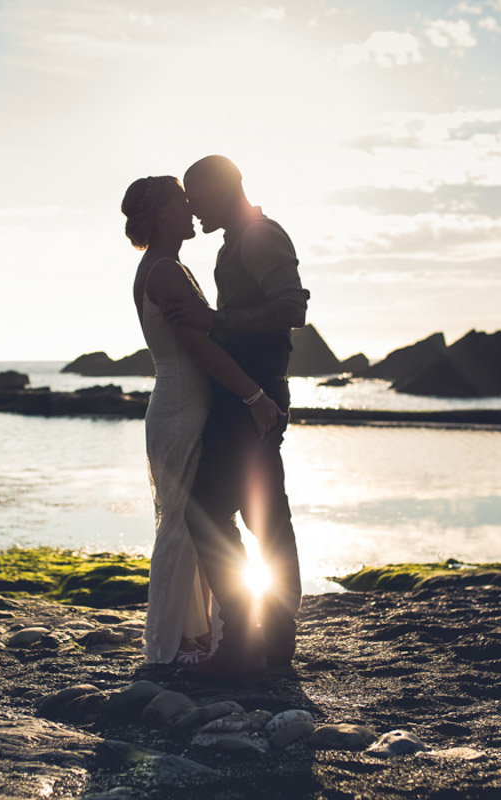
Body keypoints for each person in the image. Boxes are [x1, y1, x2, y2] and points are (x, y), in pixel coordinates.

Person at [121, 175, 283, 665]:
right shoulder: (164, 271)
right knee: (182, 523)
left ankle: (194, 635)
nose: (192, 208)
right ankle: (169, 645)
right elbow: (199, 346)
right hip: (180, 407)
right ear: (164, 212)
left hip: (183, 403)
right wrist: (254, 394)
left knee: (193, 521)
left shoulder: (166, 266)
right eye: (181, 200)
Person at [166, 155, 309, 679]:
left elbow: (293, 309)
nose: (191, 207)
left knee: (224, 512)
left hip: (259, 397)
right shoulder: (233, 242)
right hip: (242, 396)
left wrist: (215, 320)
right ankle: (265, 639)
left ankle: (253, 640)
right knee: (253, 513)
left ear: (222, 189)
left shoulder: (259, 235)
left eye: (195, 196)